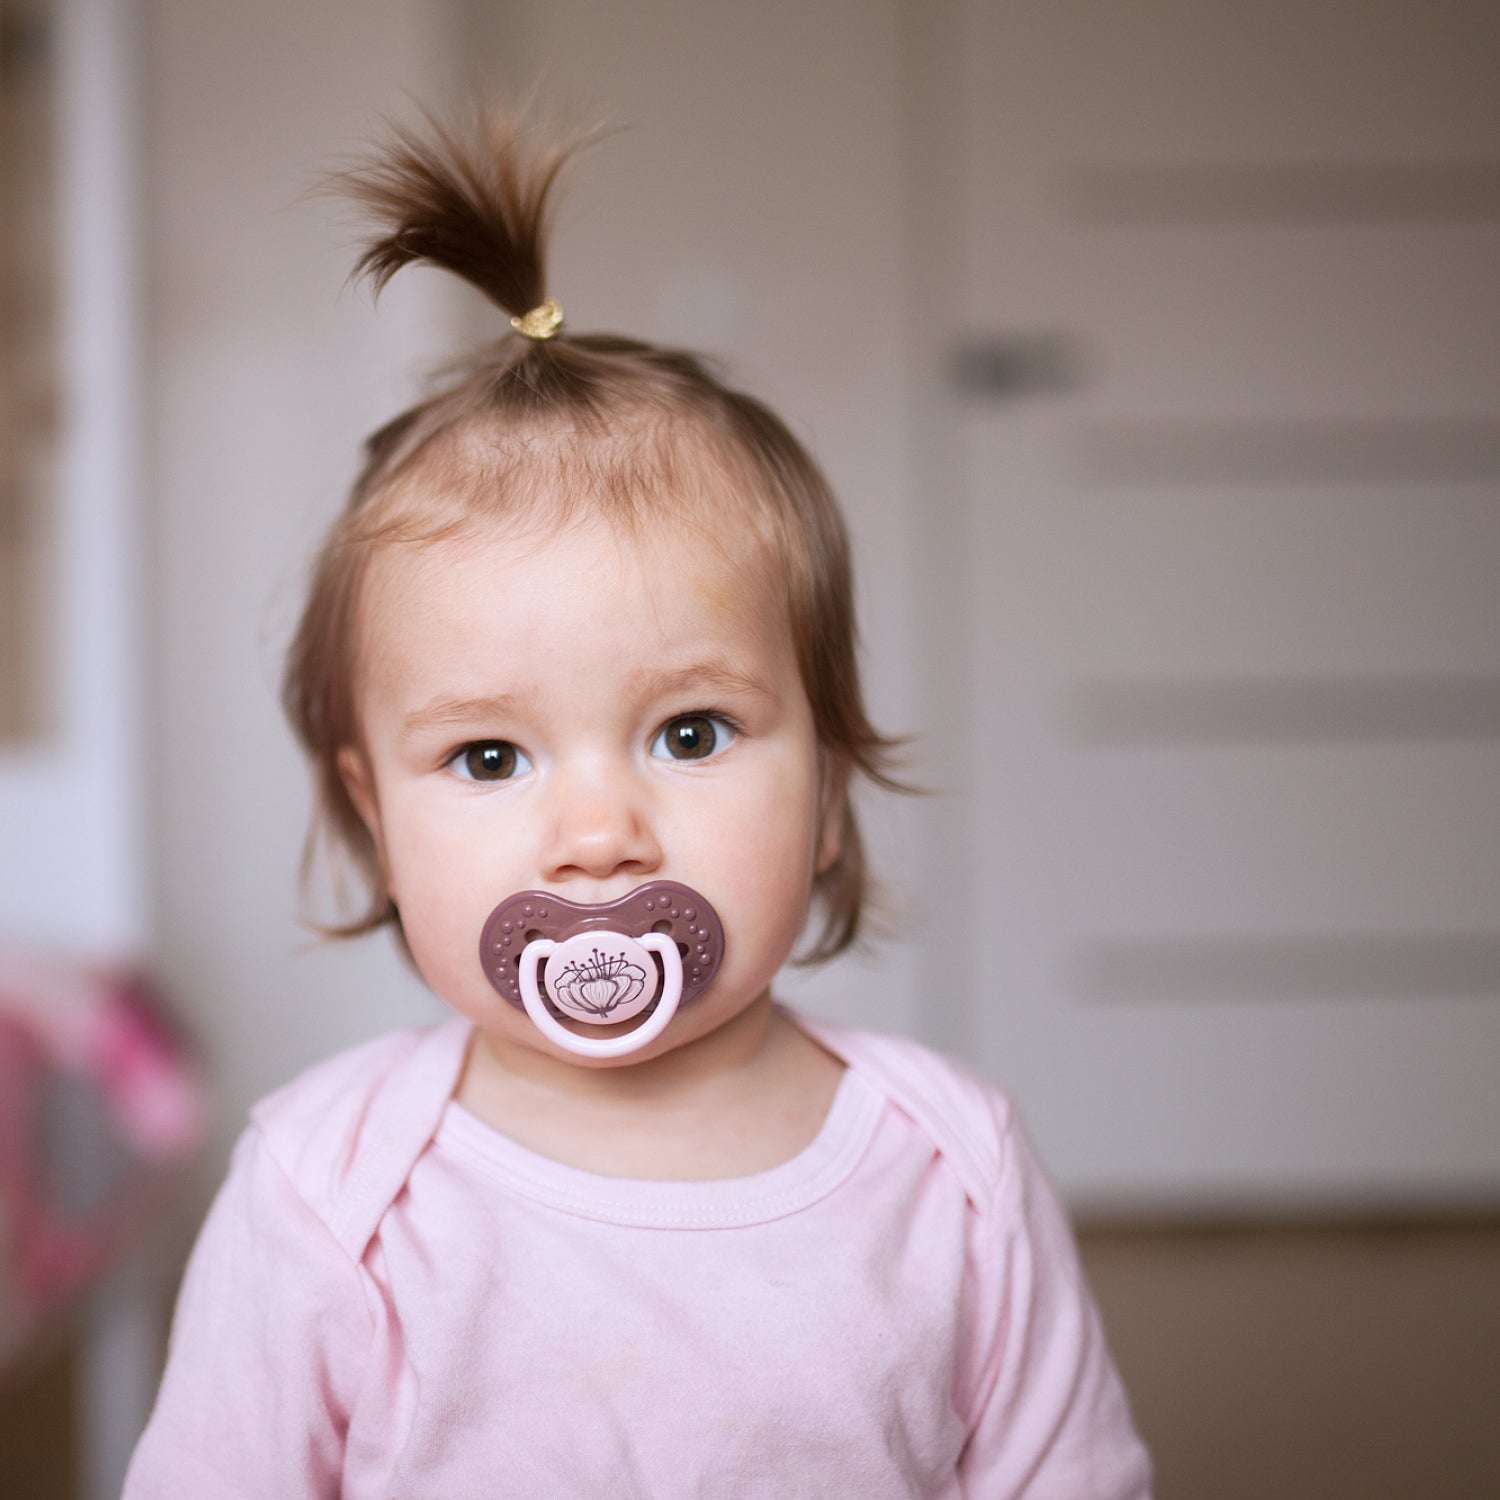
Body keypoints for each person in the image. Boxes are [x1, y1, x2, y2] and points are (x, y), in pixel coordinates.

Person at [124, 108, 1152, 1498]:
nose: (601, 833)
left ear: (832, 791)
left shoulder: (949, 1171)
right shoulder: (330, 1193)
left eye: (691, 730)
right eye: (490, 758)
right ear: (378, 821)